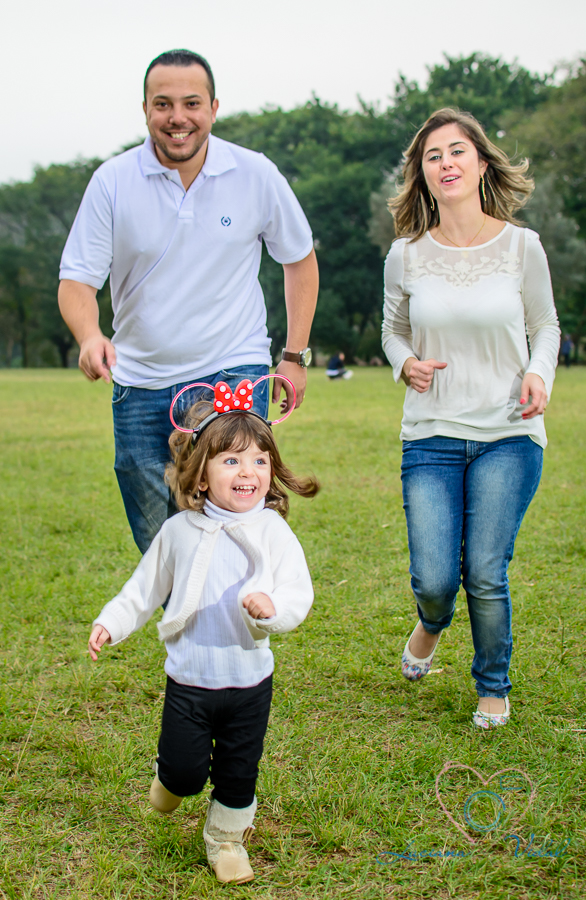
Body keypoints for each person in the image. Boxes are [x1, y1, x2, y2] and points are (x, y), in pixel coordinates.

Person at [58, 49, 318, 554]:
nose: (178, 117)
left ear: (214, 108)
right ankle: (186, 603)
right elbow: (76, 280)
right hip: (141, 383)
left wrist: (294, 356)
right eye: (163, 104)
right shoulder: (112, 181)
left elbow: (300, 260)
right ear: (145, 110)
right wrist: (89, 336)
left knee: (234, 523)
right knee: (161, 544)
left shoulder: (255, 173)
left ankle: (245, 603)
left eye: (192, 103)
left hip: (232, 370)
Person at [87, 384, 319, 884]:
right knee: (185, 772)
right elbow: (144, 588)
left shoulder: (274, 532)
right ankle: (170, 780)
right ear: (200, 473)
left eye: (259, 461)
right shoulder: (179, 531)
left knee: (239, 769)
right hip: (190, 680)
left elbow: (298, 593)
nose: (248, 472)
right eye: (231, 461)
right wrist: (112, 621)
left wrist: (271, 611)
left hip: (250, 681)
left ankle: (227, 840)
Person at [382, 108, 560, 729]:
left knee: (484, 569)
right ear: (422, 174)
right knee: (435, 579)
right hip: (430, 435)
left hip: (509, 432)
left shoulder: (522, 246)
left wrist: (539, 373)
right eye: (433, 156)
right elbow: (393, 330)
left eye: (457, 151)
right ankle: (432, 621)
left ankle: (492, 685)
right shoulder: (405, 255)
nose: (446, 163)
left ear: (481, 163)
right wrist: (405, 363)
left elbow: (545, 324)